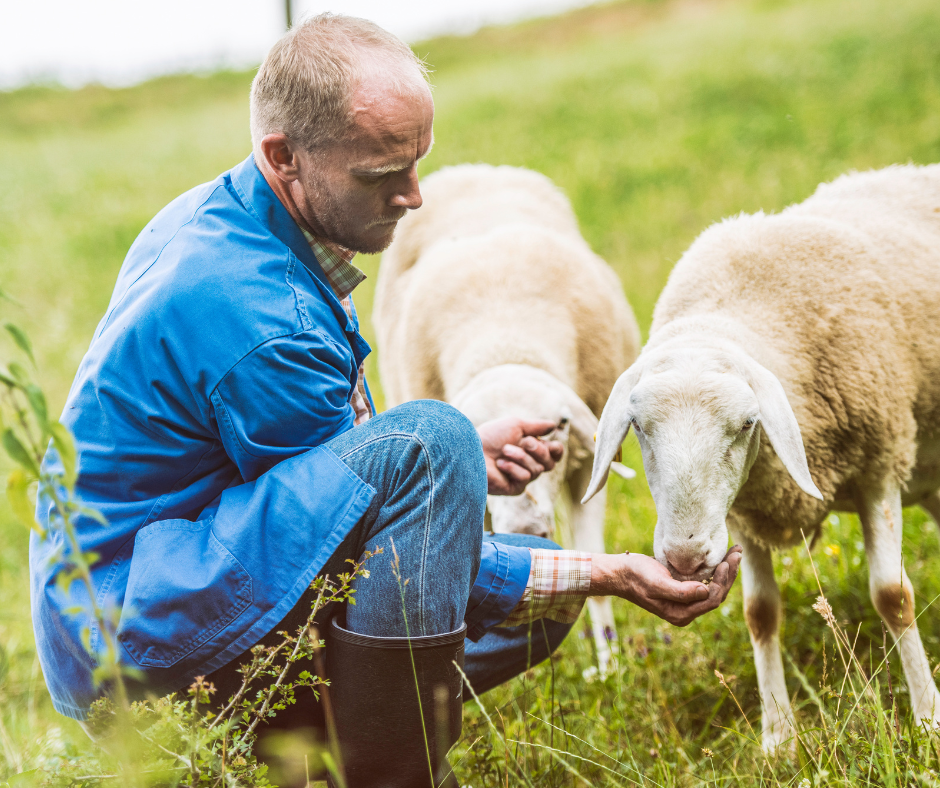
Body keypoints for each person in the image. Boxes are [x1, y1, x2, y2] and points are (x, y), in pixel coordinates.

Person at [29, 13, 742, 787]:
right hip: (148, 650)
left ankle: (321, 754)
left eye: (416, 163)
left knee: (451, 466)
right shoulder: (264, 325)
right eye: (380, 175)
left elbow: (325, 477)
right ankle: (387, 774)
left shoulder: (221, 215)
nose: (413, 196)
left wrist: (461, 457)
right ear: (284, 156)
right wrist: (608, 572)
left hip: (127, 602)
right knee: (456, 478)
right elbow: (358, 535)